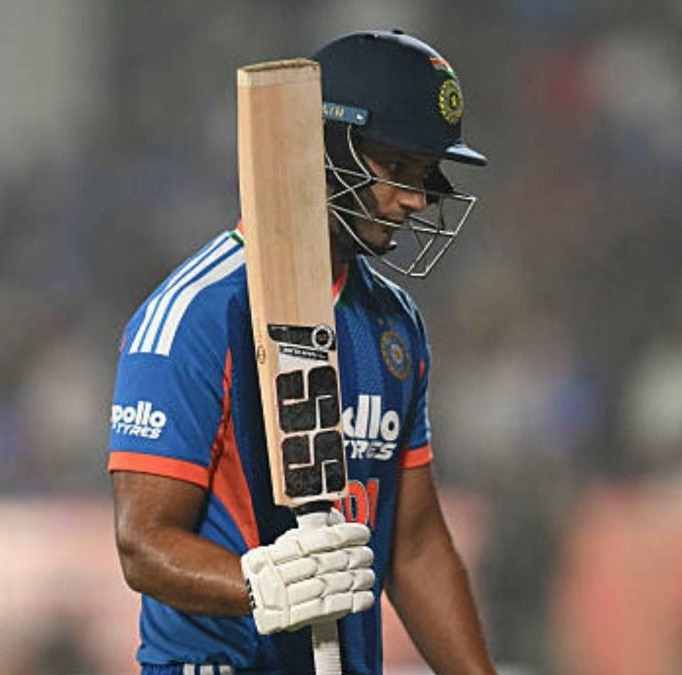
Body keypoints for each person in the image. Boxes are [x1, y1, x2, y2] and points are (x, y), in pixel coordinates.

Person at [108, 29, 494, 675]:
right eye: (396, 168)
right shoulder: (198, 314)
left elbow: (415, 546)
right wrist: (262, 585)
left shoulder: (394, 324)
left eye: (425, 175)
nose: (417, 199)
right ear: (321, 145)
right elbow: (142, 544)